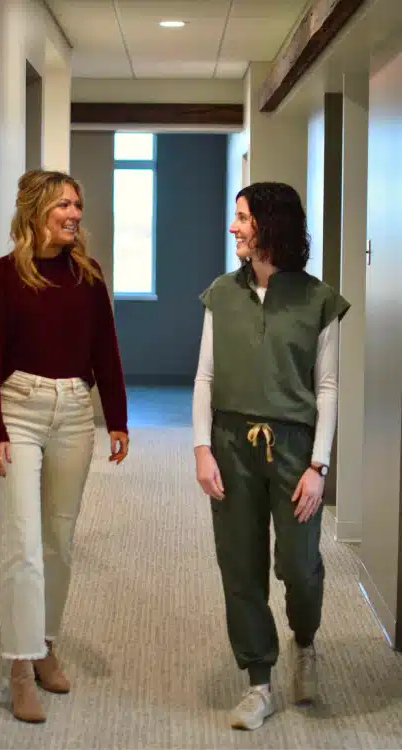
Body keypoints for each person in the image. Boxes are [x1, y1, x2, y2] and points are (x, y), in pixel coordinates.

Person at [0, 169, 129, 724]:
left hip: (74, 412)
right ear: (37, 209)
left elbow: (105, 346)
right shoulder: (1, 276)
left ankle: (45, 644)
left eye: (77, 205)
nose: (74, 214)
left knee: (59, 539)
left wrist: (117, 418)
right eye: (64, 204)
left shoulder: (88, 274)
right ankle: (19, 665)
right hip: (19, 408)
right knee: (23, 541)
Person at [193, 182, 349, 730]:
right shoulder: (221, 293)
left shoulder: (318, 300)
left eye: (242, 218)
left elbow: (327, 387)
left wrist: (318, 466)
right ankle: (258, 681)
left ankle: (304, 642)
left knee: (299, 567)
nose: (233, 227)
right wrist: (202, 448)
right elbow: (205, 377)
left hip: (294, 450)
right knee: (240, 564)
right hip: (232, 444)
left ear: (270, 224)